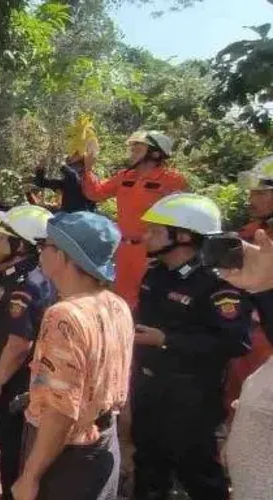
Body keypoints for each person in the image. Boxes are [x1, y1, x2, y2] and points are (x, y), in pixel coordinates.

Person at [131, 193, 252, 500]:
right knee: (147, 470)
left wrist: (167, 341)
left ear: (183, 237)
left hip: (191, 400)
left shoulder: (217, 283)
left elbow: (235, 342)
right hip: (149, 390)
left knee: (198, 476)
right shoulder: (156, 274)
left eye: (156, 231)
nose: (146, 236)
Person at [13, 211, 133, 500]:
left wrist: (30, 477)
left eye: (47, 245)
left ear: (65, 256)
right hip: (104, 443)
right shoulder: (117, 305)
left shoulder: (63, 316)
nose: (40, 251)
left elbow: (61, 410)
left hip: (67, 456)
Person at [0, 204, 56, 500]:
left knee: (16, 457)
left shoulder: (28, 283)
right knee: (10, 451)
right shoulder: (12, 274)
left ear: (20, 246)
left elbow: (20, 344)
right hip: (10, 384)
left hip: (16, 386)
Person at [80, 131, 186, 306]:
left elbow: (181, 216)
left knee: (148, 301)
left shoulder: (171, 180)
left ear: (155, 154)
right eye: (133, 150)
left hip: (151, 253)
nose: (132, 154)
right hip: (124, 249)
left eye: (138, 150)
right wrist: (88, 169)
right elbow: (95, 193)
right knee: (121, 301)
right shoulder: (125, 176)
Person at [225, 156, 273, 416]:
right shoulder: (251, 231)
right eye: (252, 191)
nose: (252, 198)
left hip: (266, 334)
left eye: (261, 192)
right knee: (237, 399)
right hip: (244, 328)